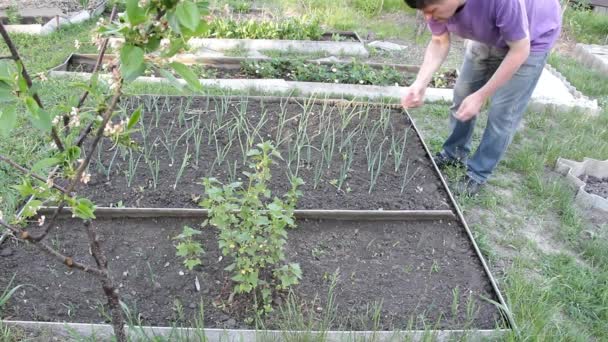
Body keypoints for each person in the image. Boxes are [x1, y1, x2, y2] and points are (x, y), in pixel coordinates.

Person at [401, 0, 562, 196]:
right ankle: (454, 153)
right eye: (423, 12)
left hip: (531, 39)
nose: (428, 17)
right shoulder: (435, 6)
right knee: (462, 94)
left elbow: (520, 50)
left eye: (432, 10)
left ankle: (477, 173)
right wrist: (420, 83)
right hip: (489, 34)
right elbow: (438, 41)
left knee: (502, 113)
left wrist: (482, 95)